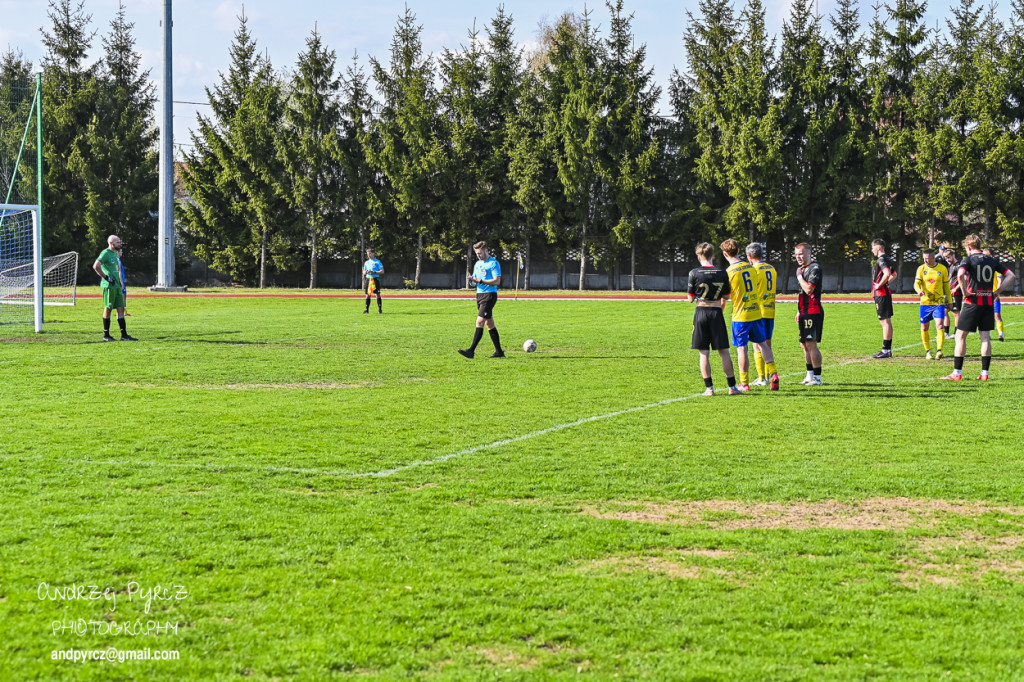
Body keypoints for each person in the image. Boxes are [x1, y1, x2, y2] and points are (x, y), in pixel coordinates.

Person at [942, 235, 1016, 381]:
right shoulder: (992, 260)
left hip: (973, 302)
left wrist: (964, 292)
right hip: (988, 302)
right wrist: (997, 292)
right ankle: (984, 373)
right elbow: (1011, 275)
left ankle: (957, 373)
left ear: (969, 247)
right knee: (985, 337)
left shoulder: (968, 260)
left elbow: (961, 274)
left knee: (960, 336)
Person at [721, 239, 778, 391]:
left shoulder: (729, 272)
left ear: (725, 254)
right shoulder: (752, 268)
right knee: (763, 344)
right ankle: (773, 374)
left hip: (741, 315)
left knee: (742, 348)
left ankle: (744, 383)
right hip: (757, 313)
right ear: (739, 251)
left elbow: (726, 296)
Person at [687, 242, 740, 396]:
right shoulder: (722, 272)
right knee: (724, 352)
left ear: (699, 257)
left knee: (704, 352)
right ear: (713, 256)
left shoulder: (694, 273)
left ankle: (709, 388)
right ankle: (732, 387)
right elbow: (726, 296)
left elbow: (690, 298)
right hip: (716, 312)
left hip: (701, 313)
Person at [458, 241, 505, 359]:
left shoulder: (493, 263)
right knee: (489, 323)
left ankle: (471, 351)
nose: (478, 255)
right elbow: (476, 280)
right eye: (477, 253)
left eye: (480, 253)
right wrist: (472, 281)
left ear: (486, 251)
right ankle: (499, 352)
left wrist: (481, 281)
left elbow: (497, 281)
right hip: (479, 295)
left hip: (489, 295)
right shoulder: (477, 264)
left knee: (479, 322)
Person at [92, 235, 137, 342]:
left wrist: (121, 283)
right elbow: (96, 266)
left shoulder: (115, 254)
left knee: (120, 308)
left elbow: (118, 270)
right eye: (118, 242)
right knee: (108, 308)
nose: (120, 244)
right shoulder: (105, 253)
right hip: (109, 286)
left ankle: (124, 335)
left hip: (117, 286)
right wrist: (106, 278)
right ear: (111, 243)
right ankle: (106, 335)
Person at [746, 242, 777, 387]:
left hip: (758, 311)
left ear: (750, 256)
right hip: (770, 310)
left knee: (757, 345)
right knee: (767, 345)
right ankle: (768, 376)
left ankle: (762, 378)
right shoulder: (772, 268)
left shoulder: (754, 270)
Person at [794, 243, 824, 385]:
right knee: (804, 345)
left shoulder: (815, 268)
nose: (798, 257)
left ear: (809, 253)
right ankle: (809, 375)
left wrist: (799, 277)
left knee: (811, 344)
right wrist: (799, 311)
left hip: (813, 311)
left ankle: (817, 378)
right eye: (796, 254)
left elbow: (809, 290)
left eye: (801, 253)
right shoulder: (803, 269)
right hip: (804, 311)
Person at [913, 248, 950, 360]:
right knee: (924, 327)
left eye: (928, 259)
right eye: (924, 259)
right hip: (925, 302)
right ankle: (928, 351)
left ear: (934, 258)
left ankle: (939, 350)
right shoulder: (921, 269)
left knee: (939, 325)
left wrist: (950, 301)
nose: (926, 261)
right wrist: (918, 290)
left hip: (939, 302)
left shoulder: (942, 269)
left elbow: (947, 287)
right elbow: (916, 283)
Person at [870, 239, 898, 358]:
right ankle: (887, 349)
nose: (872, 250)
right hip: (885, 293)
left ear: (879, 248)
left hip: (881, 294)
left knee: (884, 321)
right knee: (887, 321)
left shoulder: (881, 259)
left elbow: (887, 274)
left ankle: (885, 350)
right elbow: (894, 274)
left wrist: (879, 285)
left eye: (873, 248)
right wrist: (886, 283)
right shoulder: (888, 259)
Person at [983, 248, 1006, 341]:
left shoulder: (996, 266)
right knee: (985, 316)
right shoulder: (982, 267)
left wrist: (997, 293)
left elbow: (1000, 280)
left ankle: (1001, 334)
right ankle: (987, 334)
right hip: (984, 295)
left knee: (997, 315)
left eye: (986, 255)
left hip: (993, 295)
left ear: (991, 256)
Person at [939, 246, 961, 337]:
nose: (947, 259)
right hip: (949, 292)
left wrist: (956, 288)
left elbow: (964, 279)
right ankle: (946, 332)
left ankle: (956, 333)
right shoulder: (951, 266)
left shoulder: (958, 266)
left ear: (953, 255)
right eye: (945, 258)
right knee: (944, 311)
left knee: (956, 313)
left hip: (956, 293)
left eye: (948, 257)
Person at [362, 248, 384, 314]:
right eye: (367, 254)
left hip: (375, 279)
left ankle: (380, 310)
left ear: (373, 253)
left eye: (370, 253)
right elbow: (364, 271)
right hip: (368, 279)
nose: (368, 255)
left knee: (377, 294)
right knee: (368, 294)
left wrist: (374, 272)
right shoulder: (366, 262)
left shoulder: (377, 262)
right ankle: (366, 310)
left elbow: (382, 271)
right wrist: (365, 272)